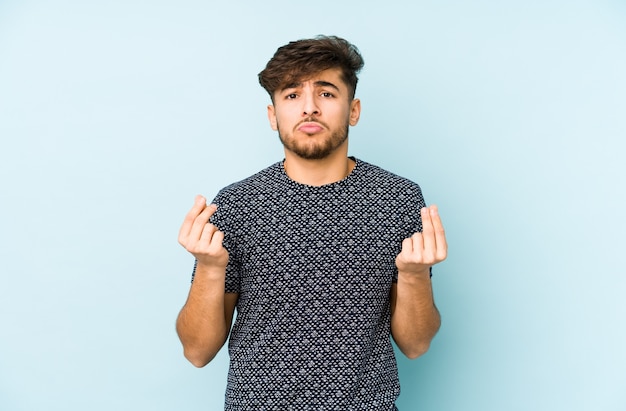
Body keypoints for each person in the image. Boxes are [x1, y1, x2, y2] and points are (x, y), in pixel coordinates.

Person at [176, 35, 447, 411]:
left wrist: (415, 276)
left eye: (326, 93)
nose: (309, 108)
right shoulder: (237, 205)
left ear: (353, 110)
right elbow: (197, 351)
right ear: (273, 116)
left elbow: (416, 345)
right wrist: (209, 267)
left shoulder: (398, 199)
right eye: (291, 95)